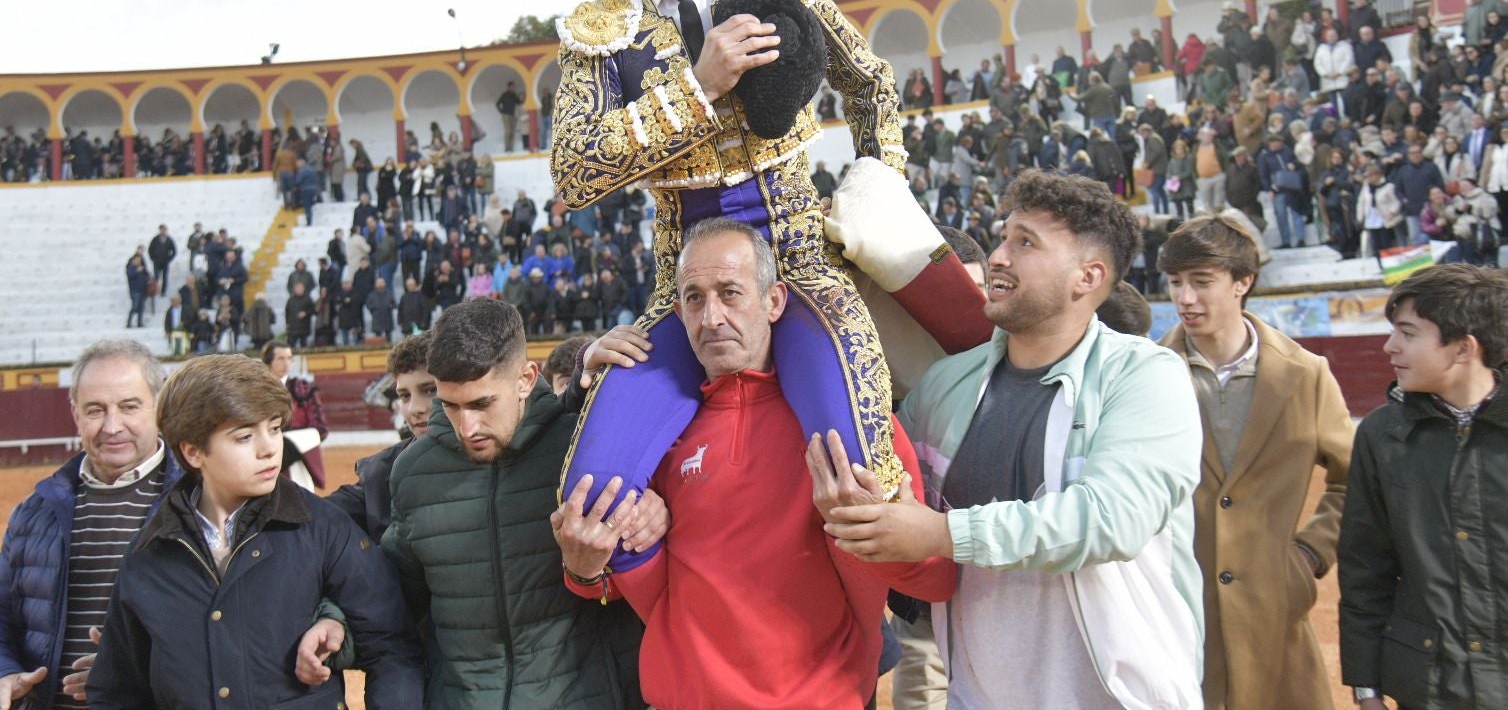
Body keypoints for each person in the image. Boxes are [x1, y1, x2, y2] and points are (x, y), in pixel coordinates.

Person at [552, 0, 926, 541]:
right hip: (686, 296)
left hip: (804, 272)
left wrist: (882, 190)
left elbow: (872, 84)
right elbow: (575, 167)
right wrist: (697, 86)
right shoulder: (599, 35)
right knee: (587, 499)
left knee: (862, 476)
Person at [824, 171, 1205, 709]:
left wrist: (943, 534)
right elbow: (892, 496)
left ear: (1087, 277)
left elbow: (1109, 520)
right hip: (977, 696)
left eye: (1025, 242)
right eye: (1004, 237)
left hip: (1117, 697)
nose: (999, 256)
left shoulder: (1146, 376)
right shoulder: (944, 386)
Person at [553, 219, 955, 710]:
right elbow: (606, 585)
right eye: (695, 298)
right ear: (677, 312)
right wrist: (583, 568)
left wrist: (870, 526)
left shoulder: (855, 426)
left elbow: (934, 581)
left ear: (774, 301)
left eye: (730, 292)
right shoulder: (654, 439)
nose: (712, 317)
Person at [86, 354, 424, 709]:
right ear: (193, 451)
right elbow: (117, 691)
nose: (269, 449)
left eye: (275, 428)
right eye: (244, 436)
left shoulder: (325, 527)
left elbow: (393, 649)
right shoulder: (148, 551)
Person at [383, 299, 653, 708]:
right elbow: (393, 599)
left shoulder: (586, 451)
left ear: (526, 378)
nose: (466, 427)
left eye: (481, 404)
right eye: (450, 405)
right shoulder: (412, 472)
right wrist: (334, 619)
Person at [1158, 214, 1355, 709]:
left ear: (1243, 282)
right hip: (1178, 613)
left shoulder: (1307, 374)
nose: (1185, 298)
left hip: (1275, 609)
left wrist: (1309, 555)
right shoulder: (1146, 373)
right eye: (1176, 283)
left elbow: (1353, 480)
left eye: (1201, 282)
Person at [0, 342, 186, 710]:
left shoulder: (203, 502)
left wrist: (134, 671)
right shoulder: (37, 512)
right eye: (95, 410)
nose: (113, 427)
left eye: (129, 407)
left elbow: (236, 629)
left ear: (159, 406)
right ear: (75, 413)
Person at [1338, 264, 1508, 709]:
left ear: (1463, 348)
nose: (1389, 346)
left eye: (1408, 333)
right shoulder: (1381, 436)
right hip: (1433, 686)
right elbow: (1364, 568)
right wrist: (1366, 687)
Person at [330, 334, 437, 542]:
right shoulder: (381, 475)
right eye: (405, 395)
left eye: (431, 390)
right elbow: (319, 514)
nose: (415, 409)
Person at [148, 225, 176, 295]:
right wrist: (153, 258)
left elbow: (174, 251)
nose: (163, 231)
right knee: (156, 277)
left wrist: (169, 259)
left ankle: (163, 292)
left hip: (165, 262)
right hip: (157, 262)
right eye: (161, 230)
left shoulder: (169, 239)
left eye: (164, 230)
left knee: (165, 277)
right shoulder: (155, 239)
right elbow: (150, 249)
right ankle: (155, 291)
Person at [496, 80, 522, 153]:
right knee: (508, 131)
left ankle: (511, 148)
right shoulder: (504, 95)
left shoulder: (514, 95)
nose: (514, 88)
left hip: (513, 115)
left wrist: (517, 95)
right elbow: (497, 104)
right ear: (509, 87)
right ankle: (507, 148)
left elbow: (519, 102)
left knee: (512, 132)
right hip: (506, 115)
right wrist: (502, 112)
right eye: (512, 86)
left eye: (514, 87)